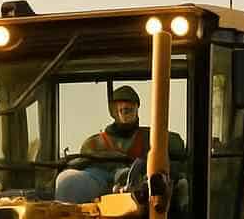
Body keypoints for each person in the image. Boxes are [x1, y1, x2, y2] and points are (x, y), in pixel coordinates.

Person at [55, 85, 186, 204]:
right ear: (112, 111)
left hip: (144, 200)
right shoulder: (94, 144)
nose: (124, 108)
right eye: (119, 106)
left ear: (137, 108)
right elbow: (84, 168)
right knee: (67, 181)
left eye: (129, 105)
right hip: (101, 194)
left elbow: (179, 154)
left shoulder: (154, 138)